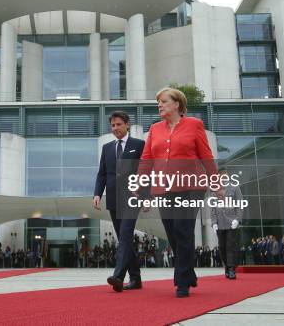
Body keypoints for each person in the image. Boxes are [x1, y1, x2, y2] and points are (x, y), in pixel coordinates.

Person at [139, 87, 217, 298]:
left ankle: (181, 281)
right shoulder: (155, 129)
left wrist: (216, 184)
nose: (160, 105)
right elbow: (146, 160)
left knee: (183, 229)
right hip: (163, 188)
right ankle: (189, 272)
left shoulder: (195, 125)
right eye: (159, 102)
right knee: (172, 232)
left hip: (191, 187)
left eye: (164, 101)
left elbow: (206, 156)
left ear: (177, 104)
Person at [93, 110, 145, 292]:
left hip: (133, 198)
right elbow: (102, 173)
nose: (115, 128)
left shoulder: (139, 145)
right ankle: (136, 278)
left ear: (127, 124)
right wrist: (97, 194)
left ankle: (118, 276)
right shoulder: (107, 148)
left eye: (119, 125)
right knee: (125, 239)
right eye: (113, 125)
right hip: (114, 198)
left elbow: (146, 172)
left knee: (125, 235)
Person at [210, 167, 244, 279]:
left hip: (231, 222)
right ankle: (226, 267)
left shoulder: (234, 187)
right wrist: (214, 223)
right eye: (221, 174)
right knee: (222, 246)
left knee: (230, 245)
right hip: (220, 223)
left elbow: (240, 204)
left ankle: (231, 269)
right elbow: (213, 208)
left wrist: (237, 219)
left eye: (224, 173)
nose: (223, 176)